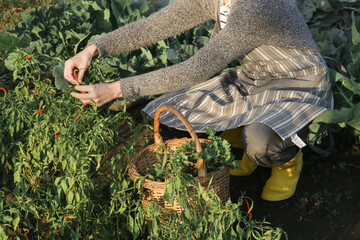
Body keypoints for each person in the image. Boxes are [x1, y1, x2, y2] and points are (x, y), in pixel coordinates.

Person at [64, 0, 333, 204]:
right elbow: (155, 26)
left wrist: (117, 89)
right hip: (254, 79)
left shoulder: (258, 7)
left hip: (298, 85)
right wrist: (94, 49)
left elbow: (196, 69)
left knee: (262, 143)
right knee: (172, 113)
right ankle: (249, 139)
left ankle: (287, 159)